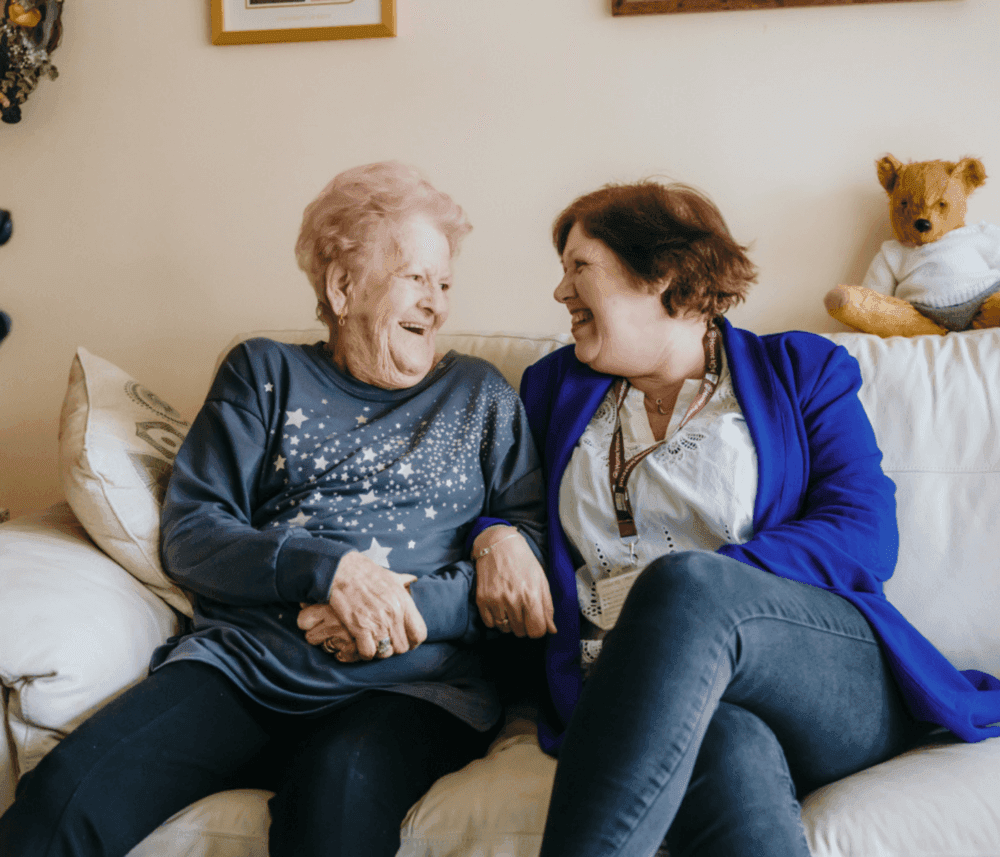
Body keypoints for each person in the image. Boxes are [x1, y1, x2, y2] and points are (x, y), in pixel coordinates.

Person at [0, 161, 554, 857]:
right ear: (342, 286)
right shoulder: (263, 373)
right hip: (245, 668)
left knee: (337, 795)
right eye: (416, 278)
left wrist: (399, 609)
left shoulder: (479, 396)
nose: (438, 305)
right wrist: (332, 573)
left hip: (414, 685)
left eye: (444, 284)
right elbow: (194, 533)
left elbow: (530, 558)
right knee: (64, 800)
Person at [519, 179, 1000, 857]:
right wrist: (495, 537)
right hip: (636, 694)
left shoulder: (802, 369)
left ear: (664, 274)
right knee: (725, 742)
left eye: (579, 267)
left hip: (819, 676)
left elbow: (865, 533)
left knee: (685, 584)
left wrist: (701, 585)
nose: (561, 292)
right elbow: (509, 510)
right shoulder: (550, 389)